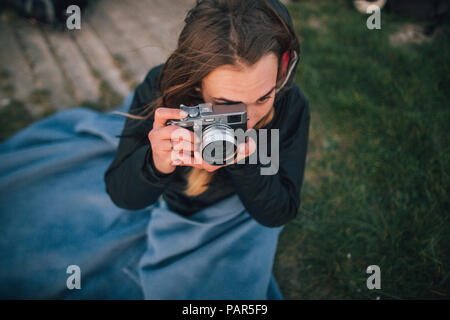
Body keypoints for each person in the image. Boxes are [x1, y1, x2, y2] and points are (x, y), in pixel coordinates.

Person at [0, 0, 309, 299]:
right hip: (176, 201)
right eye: (228, 105)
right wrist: (155, 164)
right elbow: (123, 194)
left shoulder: (288, 107)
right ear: (197, 85)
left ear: (283, 67)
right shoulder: (163, 91)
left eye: (264, 96)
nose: (250, 118)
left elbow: (278, 210)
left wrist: (246, 159)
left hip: (239, 209)